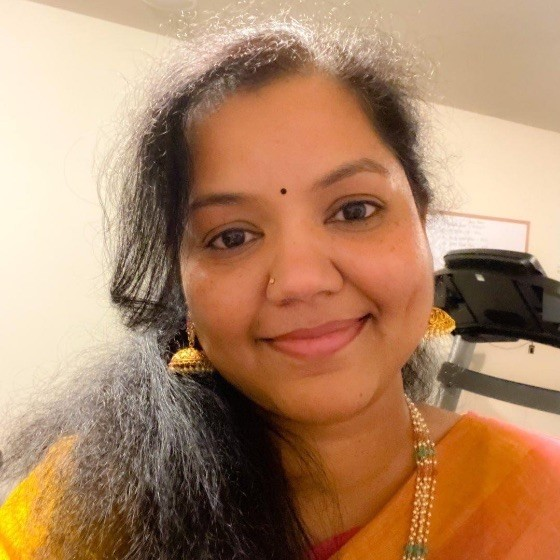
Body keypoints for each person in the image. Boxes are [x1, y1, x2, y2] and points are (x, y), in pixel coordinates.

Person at [1, 17, 560, 560]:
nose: (300, 281)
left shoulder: (544, 497)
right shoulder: (78, 506)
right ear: (181, 284)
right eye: (231, 237)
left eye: (355, 210)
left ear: (422, 220)